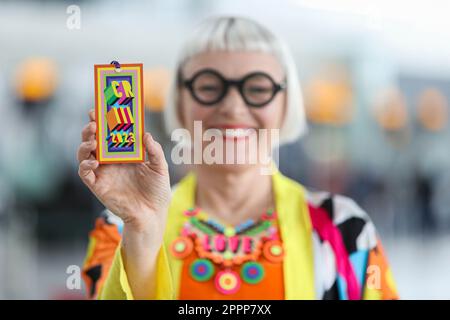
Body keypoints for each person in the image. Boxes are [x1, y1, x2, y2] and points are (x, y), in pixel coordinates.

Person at [78, 16, 398, 300]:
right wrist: (144, 232)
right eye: (209, 87)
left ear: (286, 105)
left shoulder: (342, 228)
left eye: (257, 89)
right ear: (179, 103)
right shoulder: (120, 227)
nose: (232, 106)